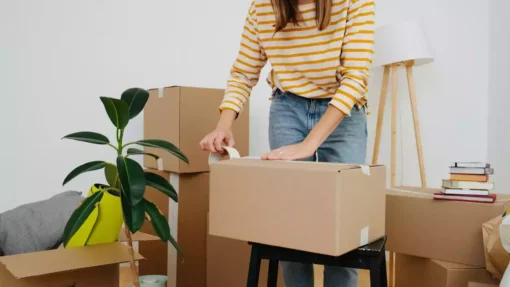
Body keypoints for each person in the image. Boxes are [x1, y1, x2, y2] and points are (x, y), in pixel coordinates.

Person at [200, 0, 374, 285]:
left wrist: (309, 144)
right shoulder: (262, 7)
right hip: (287, 107)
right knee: (289, 225)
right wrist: (224, 125)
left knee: (345, 226)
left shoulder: (355, 2)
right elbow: (244, 72)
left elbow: (355, 78)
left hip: (342, 111)